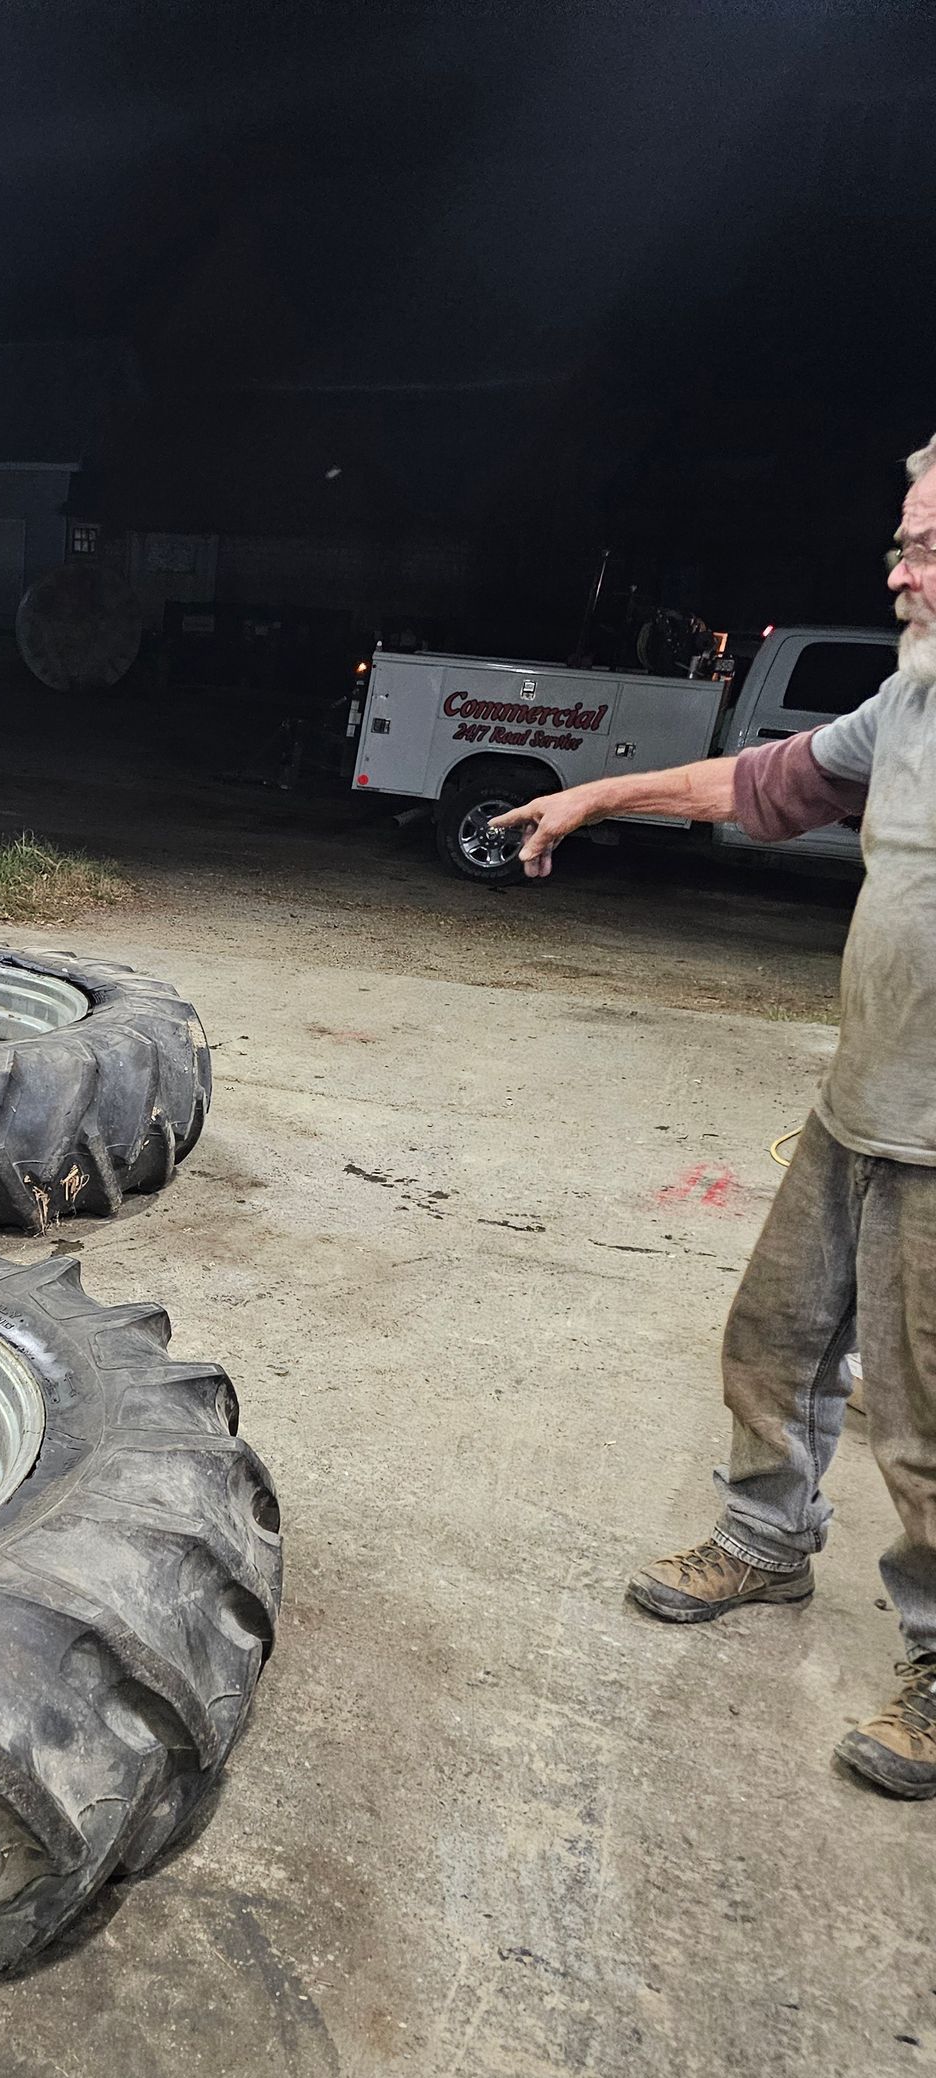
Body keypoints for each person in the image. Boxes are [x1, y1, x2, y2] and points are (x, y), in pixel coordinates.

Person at [498, 432, 936, 1797]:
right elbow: (763, 786)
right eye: (901, 547)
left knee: (925, 1420)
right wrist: (599, 793)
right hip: (862, 1099)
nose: (903, 577)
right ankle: (763, 1542)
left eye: (929, 550)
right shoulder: (911, 708)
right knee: (779, 1337)